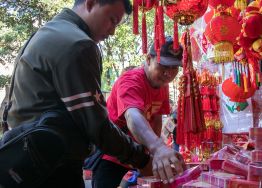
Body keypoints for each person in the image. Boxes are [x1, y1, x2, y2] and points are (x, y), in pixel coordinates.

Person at [4, 0, 183, 187]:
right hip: (50, 166)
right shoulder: (77, 44)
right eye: (112, 20)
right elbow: (97, 125)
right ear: (91, 3)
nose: (113, 31)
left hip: (27, 159)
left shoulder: (50, 32)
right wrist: (145, 158)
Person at [92, 36, 185, 188]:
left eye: (174, 67)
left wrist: (153, 151)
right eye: (164, 66)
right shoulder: (130, 81)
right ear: (149, 59)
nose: (169, 74)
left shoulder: (163, 85)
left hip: (138, 153)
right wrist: (158, 147)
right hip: (112, 153)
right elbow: (133, 116)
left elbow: (156, 118)